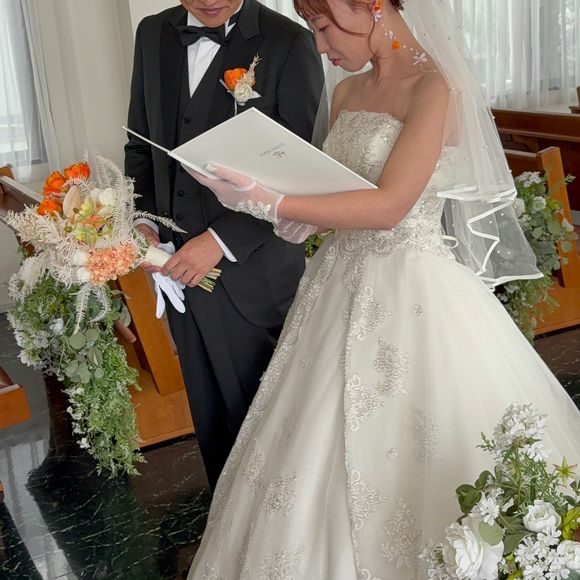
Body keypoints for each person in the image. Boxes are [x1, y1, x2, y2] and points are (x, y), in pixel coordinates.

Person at [186, 0, 580, 577]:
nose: (320, 48)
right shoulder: (347, 93)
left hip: (415, 287)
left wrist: (273, 202)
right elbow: (329, 200)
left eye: (323, 27)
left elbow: (391, 206)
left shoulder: (436, 88)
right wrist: (260, 198)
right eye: (312, 30)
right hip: (335, 288)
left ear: (371, 5)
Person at [124, 0, 324, 490]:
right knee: (212, 424)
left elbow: (301, 170)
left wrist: (220, 240)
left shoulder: (288, 41)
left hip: (255, 275)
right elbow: (140, 144)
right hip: (176, 271)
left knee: (267, 427)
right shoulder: (153, 33)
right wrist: (144, 223)